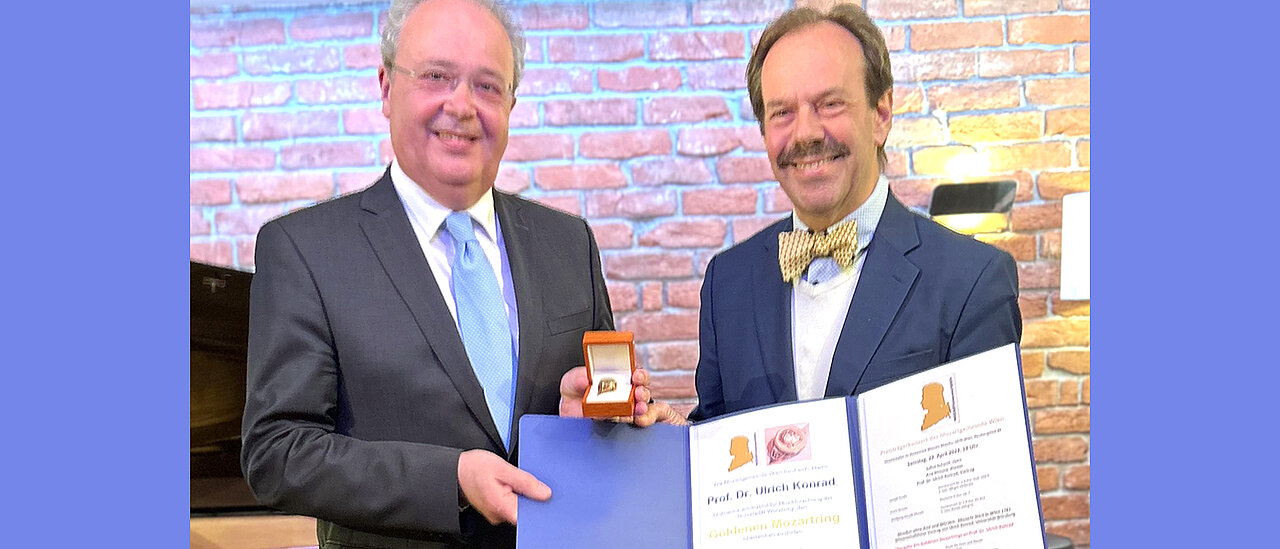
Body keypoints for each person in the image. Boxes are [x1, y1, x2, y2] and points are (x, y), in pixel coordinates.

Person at [240, 0, 652, 546]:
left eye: (487, 86)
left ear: (511, 104)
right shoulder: (304, 250)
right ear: (386, 87)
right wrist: (451, 479)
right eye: (436, 76)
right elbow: (277, 453)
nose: (461, 106)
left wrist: (595, 424)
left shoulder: (568, 243)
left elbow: (605, 423)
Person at [686, 4, 1022, 421]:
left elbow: (986, 456)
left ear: (881, 115)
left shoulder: (972, 280)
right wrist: (665, 438)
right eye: (782, 113)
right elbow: (715, 442)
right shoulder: (726, 283)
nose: (805, 133)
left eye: (829, 104)